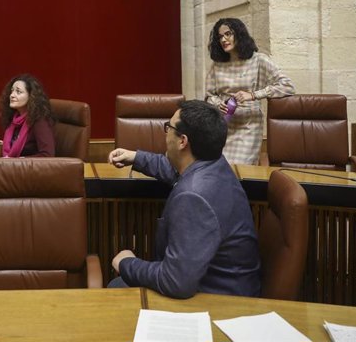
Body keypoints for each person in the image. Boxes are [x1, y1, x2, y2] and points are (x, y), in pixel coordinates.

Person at [107, 100, 261, 299]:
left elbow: (175, 282)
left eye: (169, 128)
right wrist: (136, 157)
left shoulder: (194, 196)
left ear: (182, 141)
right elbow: (176, 170)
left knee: (116, 288)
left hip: (220, 300)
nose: (166, 133)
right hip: (228, 284)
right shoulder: (214, 165)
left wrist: (127, 263)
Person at [205, 18, 295, 164]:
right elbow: (209, 96)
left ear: (239, 34)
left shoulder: (258, 60)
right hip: (223, 126)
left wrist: (254, 95)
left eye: (228, 34)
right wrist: (218, 103)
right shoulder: (217, 66)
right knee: (218, 167)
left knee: (238, 169)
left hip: (248, 125)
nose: (224, 39)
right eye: (220, 36)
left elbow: (287, 85)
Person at [0, 74, 55, 157]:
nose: (12, 95)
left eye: (18, 92)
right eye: (12, 91)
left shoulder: (39, 121)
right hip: (10, 167)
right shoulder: (14, 120)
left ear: (31, 96)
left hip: (29, 169)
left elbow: (47, 155)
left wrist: (20, 161)